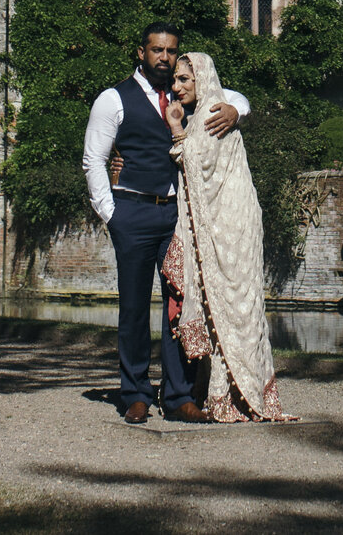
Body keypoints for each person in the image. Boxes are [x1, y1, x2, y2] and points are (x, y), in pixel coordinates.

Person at [81, 23, 247, 424]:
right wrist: (112, 214)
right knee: (134, 307)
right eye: (157, 50)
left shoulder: (184, 93)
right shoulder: (113, 99)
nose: (164, 57)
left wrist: (234, 111)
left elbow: (236, 96)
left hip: (176, 215)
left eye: (171, 51)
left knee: (180, 306)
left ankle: (178, 396)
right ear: (141, 52)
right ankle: (135, 392)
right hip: (133, 213)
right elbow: (93, 160)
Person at [161, 51, 291, 422]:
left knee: (234, 302)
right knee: (223, 303)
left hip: (230, 225)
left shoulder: (214, 114)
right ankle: (225, 392)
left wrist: (175, 129)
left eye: (185, 80)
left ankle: (240, 393)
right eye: (175, 80)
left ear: (201, 79)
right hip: (224, 222)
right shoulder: (208, 110)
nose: (177, 86)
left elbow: (193, 160)